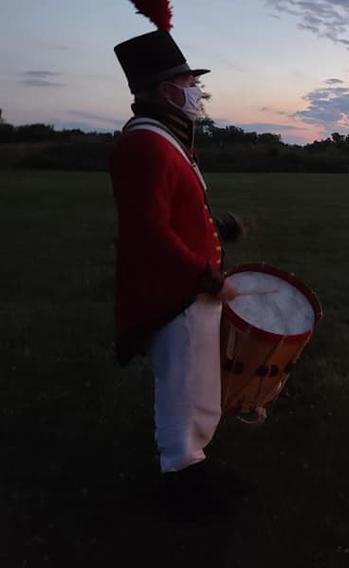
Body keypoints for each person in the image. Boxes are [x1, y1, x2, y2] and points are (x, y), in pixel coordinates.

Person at [109, 2, 241, 515]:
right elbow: (149, 231)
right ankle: (182, 478)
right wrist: (204, 275)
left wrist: (220, 229)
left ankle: (195, 462)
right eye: (190, 83)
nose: (196, 93)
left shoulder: (164, 141)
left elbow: (174, 210)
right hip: (177, 290)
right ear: (166, 91)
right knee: (182, 386)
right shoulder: (145, 146)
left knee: (198, 382)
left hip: (190, 288)